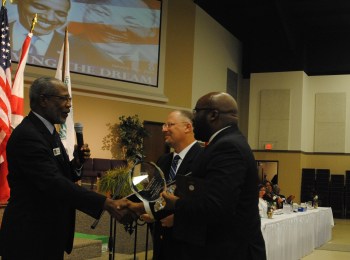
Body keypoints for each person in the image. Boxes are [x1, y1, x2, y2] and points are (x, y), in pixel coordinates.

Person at [0, 77, 133, 259]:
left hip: (49, 232)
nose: (69, 105)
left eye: (70, 99)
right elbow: (53, 183)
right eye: (63, 99)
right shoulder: (28, 135)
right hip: (29, 236)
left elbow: (60, 175)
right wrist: (106, 203)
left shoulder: (49, 132)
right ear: (43, 100)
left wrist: (76, 164)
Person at [159, 92, 267, 259]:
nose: (193, 119)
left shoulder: (227, 147)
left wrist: (177, 204)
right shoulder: (225, 143)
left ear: (213, 115)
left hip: (230, 250)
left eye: (196, 112)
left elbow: (218, 206)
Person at [144, 110, 203, 260]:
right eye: (164, 125)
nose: (164, 129)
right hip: (161, 244)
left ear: (187, 127)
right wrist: (150, 211)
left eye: (169, 124)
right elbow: (156, 194)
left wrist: (180, 218)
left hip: (188, 247)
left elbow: (206, 203)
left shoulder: (204, 159)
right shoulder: (163, 160)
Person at [69, 0, 159, 83]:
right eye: (103, 13)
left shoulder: (152, 63)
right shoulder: (67, 50)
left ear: (152, 30)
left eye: (131, 22)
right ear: (86, 10)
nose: (115, 28)